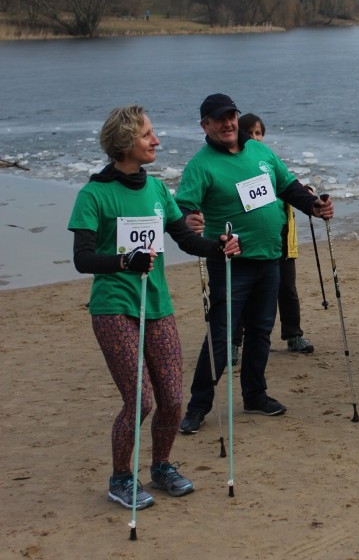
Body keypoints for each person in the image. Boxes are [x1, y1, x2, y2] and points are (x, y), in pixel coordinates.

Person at [67, 105, 241, 509]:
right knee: (141, 400)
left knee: (173, 399)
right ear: (126, 142)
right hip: (114, 308)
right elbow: (83, 258)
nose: (156, 141)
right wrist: (124, 261)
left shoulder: (159, 190)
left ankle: (161, 467)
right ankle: (121, 479)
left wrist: (219, 247)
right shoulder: (94, 194)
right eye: (148, 135)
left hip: (158, 306)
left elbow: (186, 240)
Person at [176, 94, 333, 435]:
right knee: (221, 336)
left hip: (270, 257)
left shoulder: (261, 152)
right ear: (205, 125)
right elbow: (184, 208)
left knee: (261, 331)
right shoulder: (200, 165)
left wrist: (314, 206)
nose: (228, 123)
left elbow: (288, 186)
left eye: (231, 116)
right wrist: (190, 220)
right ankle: (198, 406)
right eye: (219, 119)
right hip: (231, 264)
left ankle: (255, 394)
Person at [229, 113, 314, 366]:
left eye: (259, 133)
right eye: (250, 133)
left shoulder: (269, 161)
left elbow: (288, 185)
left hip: (283, 242)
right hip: (251, 245)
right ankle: (234, 343)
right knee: (243, 296)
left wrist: (306, 195)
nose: (255, 138)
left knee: (287, 290)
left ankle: (293, 335)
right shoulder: (241, 167)